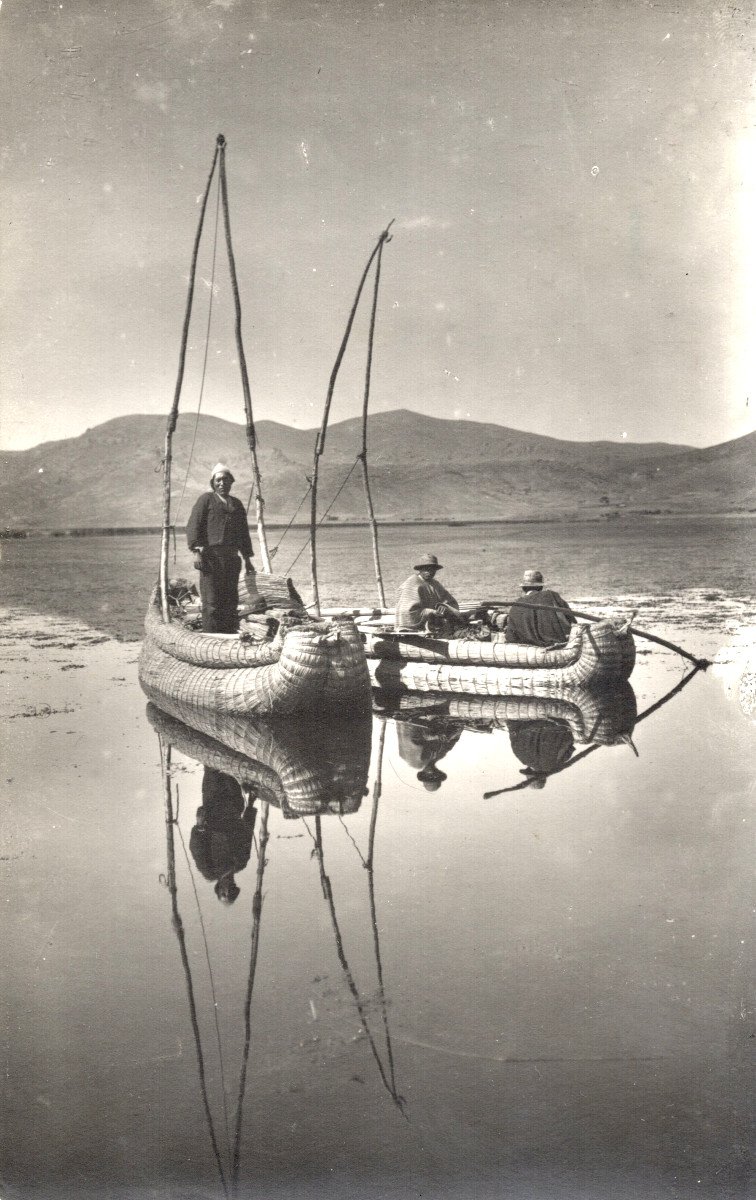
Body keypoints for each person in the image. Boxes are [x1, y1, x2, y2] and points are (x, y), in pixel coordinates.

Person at [186, 463, 255, 633]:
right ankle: (211, 637)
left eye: (225, 480)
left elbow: (244, 534)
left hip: (232, 559)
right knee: (211, 602)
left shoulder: (237, 504)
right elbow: (193, 525)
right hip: (211, 559)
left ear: (231, 482)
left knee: (231, 600)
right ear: (213, 483)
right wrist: (196, 552)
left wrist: (247, 560)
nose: (222, 483)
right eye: (218, 480)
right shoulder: (206, 500)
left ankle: (229, 635)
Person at [189, 768, 257, 904]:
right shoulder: (241, 862)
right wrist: (250, 804)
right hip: (234, 805)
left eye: (228, 890)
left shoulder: (208, 871)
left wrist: (199, 825)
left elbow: (196, 847)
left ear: (220, 889)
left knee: (212, 767)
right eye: (233, 888)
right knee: (231, 768)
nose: (231, 885)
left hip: (212, 807)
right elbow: (247, 832)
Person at [504, 569, 575, 647]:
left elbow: (510, 636)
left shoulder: (516, 605)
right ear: (541, 586)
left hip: (525, 646)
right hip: (551, 644)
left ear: (523, 588)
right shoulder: (549, 595)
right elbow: (570, 619)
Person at [395, 553, 461, 632]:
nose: (429, 572)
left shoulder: (435, 584)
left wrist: (444, 607)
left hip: (432, 623)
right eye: (426, 569)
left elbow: (452, 603)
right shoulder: (412, 583)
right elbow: (407, 611)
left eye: (433, 569)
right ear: (420, 569)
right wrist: (431, 612)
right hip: (412, 627)